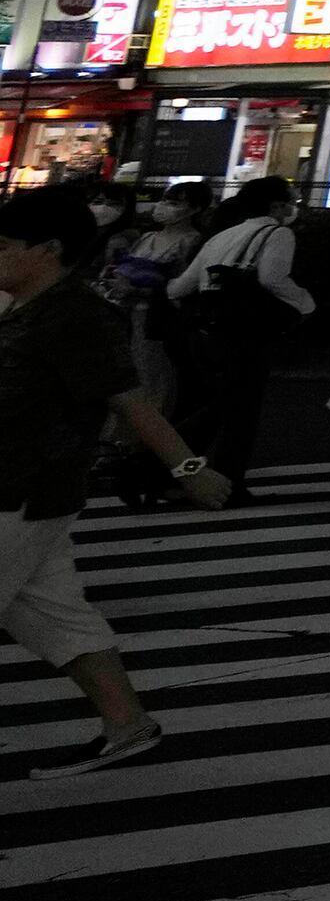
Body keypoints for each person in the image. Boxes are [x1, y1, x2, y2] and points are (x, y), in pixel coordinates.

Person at [2, 187, 228, 771]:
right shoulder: (24, 306)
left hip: (22, 491)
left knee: (50, 611)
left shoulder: (73, 315)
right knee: (53, 614)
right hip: (34, 494)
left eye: (2, 245)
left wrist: (189, 468)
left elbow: (131, 402)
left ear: (46, 250)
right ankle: (128, 725)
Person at [161, 187, 314, 491]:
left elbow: (179, 287)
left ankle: (176, 469)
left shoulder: (223, 236)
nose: (294, 209)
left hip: (206, 332)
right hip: (247, 335)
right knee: (239, 414)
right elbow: (272, 277)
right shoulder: (278, 234)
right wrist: (305, 304)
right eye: (291, 203)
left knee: (221, 407)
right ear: (277, 205)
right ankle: (221, 480)